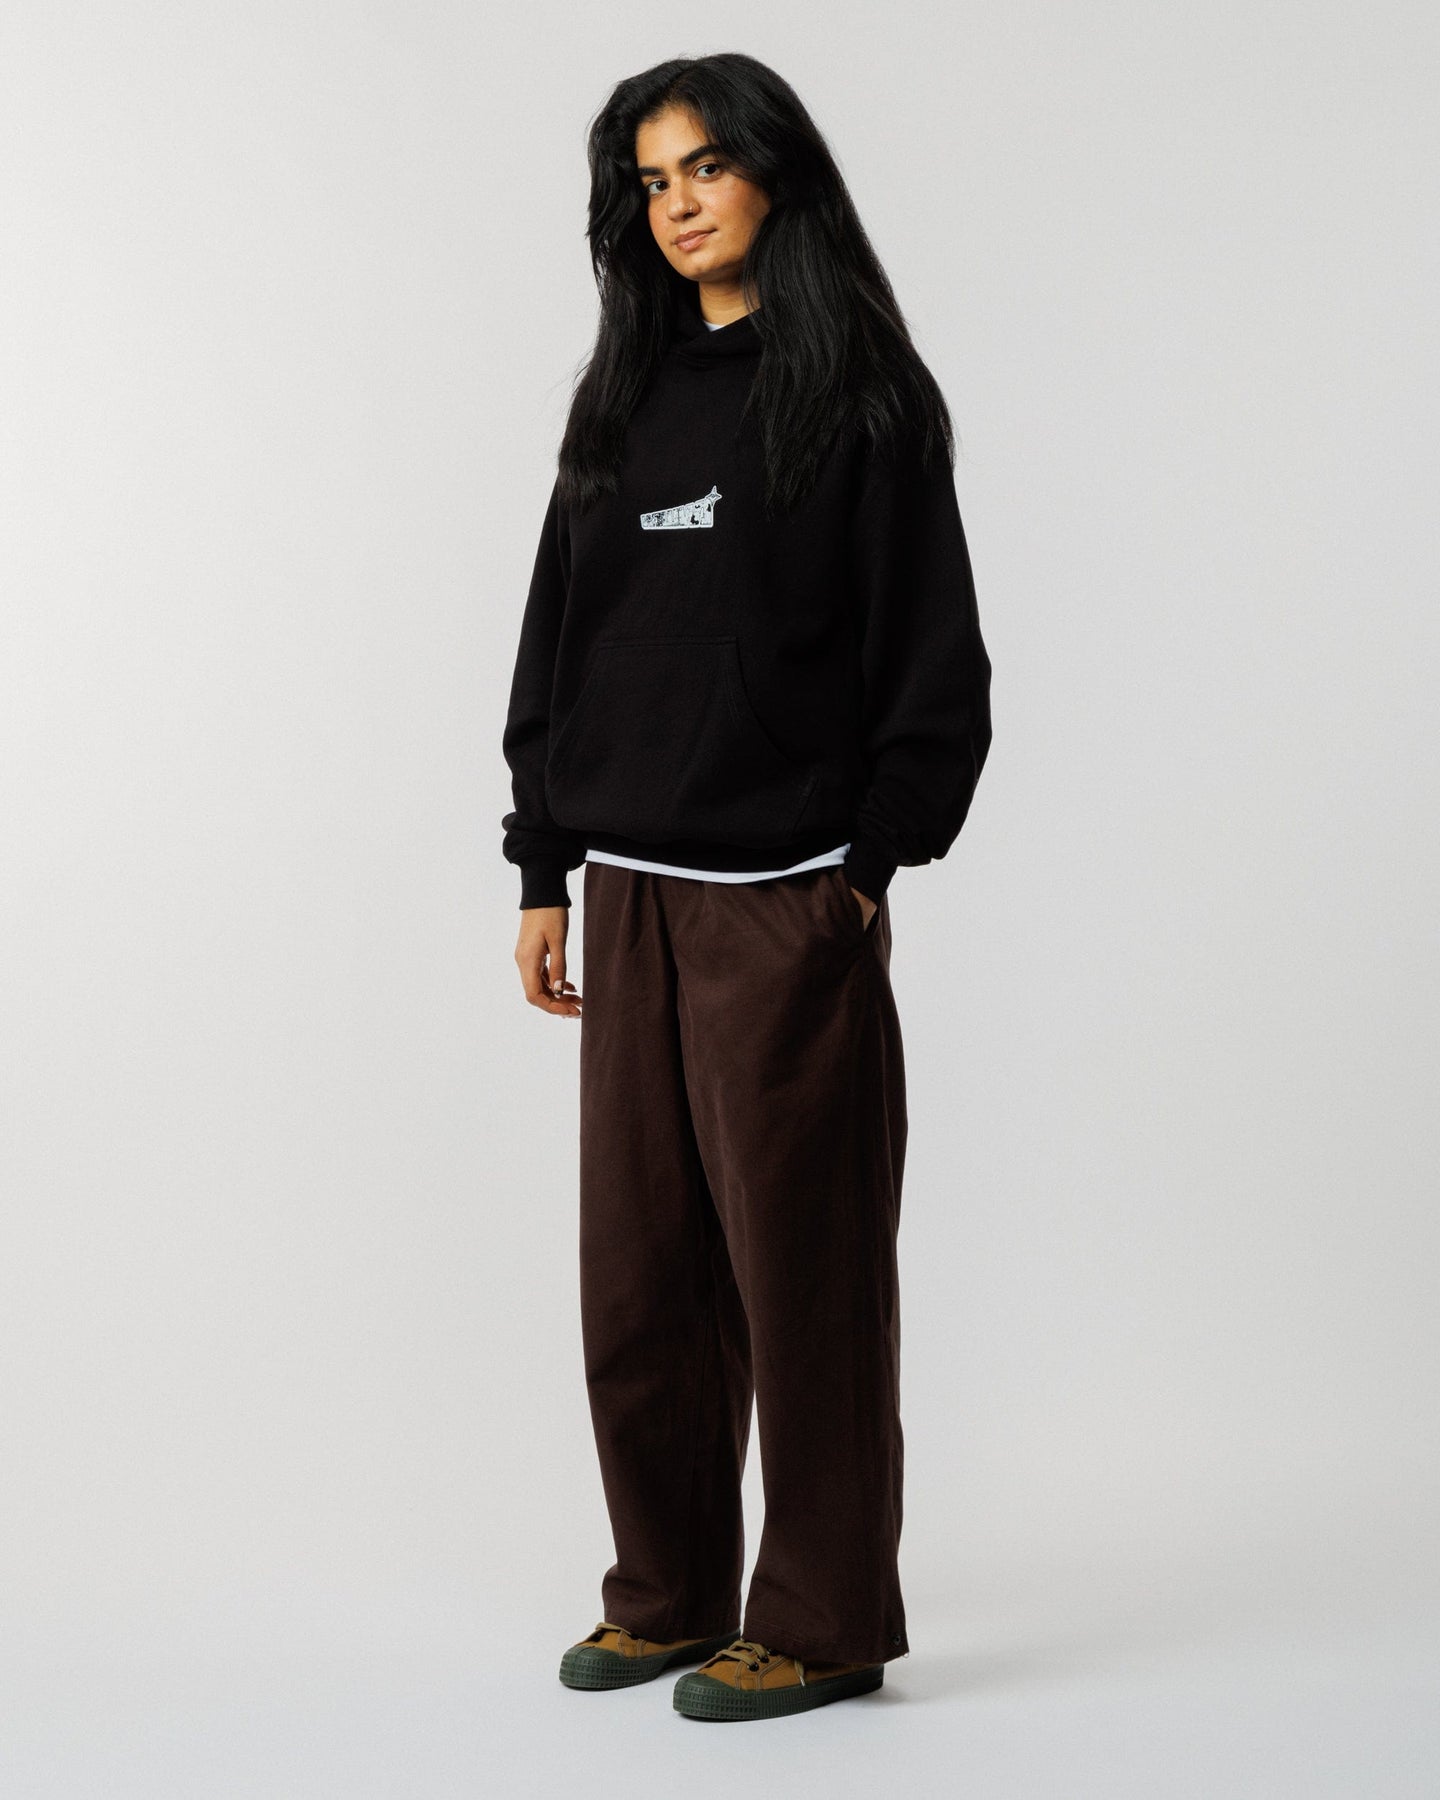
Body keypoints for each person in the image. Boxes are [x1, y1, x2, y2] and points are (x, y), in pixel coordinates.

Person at [500, 52, 992, 1723]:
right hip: (628, 888)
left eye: (706, 165)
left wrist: (864, 872)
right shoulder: (625, 399)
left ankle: (827, 1617)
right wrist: (543, 861)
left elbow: (935, 662)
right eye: (651, 181)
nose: (679, 202)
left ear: (776, 174)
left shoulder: (862, 398)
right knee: (640, 1276)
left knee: (805, 1279)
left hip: (785, 897)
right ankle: (669, 1593)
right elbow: (558, 641)